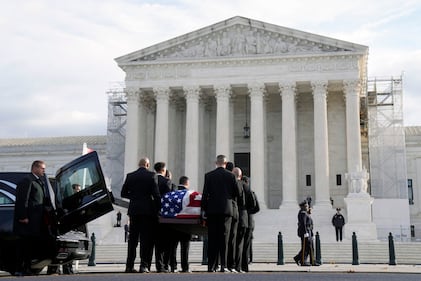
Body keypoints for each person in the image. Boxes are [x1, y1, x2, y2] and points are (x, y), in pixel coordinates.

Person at [13, 160, 55, 276]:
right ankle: (20, 269)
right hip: (27, 222)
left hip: (36, 222)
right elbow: (22, 200)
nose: (44, 171)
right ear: (35, 168)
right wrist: (23, 217)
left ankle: (28, 268)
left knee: (30, 247)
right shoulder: (27, 181)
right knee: (24, 247)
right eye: (42, 168)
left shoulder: (38, 182)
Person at [121, 157, 160, 273]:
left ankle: (129, 266)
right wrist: (157, 208)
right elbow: (157, 195)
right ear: (147, 165)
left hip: (134, 211)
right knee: (145, 239)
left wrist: (134, 198)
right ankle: (143, 265)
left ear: (139, 164)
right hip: (147, 212)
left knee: (132, 239)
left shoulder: (130, 176)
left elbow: (123, 193)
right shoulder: (152, 176)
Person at [201, 155, 239, 273]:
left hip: (212, 210)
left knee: (212, 239)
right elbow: (236, 193)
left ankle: (211, 266)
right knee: (224, 239)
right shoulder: (231, 176)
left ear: (216, 163)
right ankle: (224, 265)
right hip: (226, 211)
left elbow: (205, 194)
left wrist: (204, 209)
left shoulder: (209, 176)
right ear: (226, 163)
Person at [169, 176, 193, 273]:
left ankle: (173, 266)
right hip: (186, 224)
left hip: (174, 223)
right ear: (187, 183)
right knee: (185, 247)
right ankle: (185, 267)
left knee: (173, 247)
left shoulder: (172, 193)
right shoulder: (189, 194)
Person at [153, 162, 173, 273]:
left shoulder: (151, 181)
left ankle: (158, 265)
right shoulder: (167, 182)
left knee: (156, 242)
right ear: (164, 170)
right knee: (165, 242)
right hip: (165, 216)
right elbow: (169, 199)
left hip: (152, 215)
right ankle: (165, 265)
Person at [241, 176, 259, 272]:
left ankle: (243, 262)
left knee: (243, 243)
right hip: (247, 221)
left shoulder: (245, 193)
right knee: (246, 243)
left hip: (244, 221)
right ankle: (245, 264)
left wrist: (247, 213)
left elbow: (256, 207)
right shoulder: (250, 193)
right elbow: (256, 207)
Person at [232, 167, 247, 273]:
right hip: (241, 217)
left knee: (231, 242)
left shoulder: (227, 186)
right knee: (239, 244)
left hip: (231, 217)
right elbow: (252, 203)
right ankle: (237, 266)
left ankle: (229, 265)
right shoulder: (244, 186)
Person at [294, 200, 311, 266]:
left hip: (304, 232)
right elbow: (303, 224)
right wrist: (305, 232)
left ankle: (298, 258)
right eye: (306, 206)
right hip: (304, 232)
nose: (307, 207)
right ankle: (303, 261)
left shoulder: (304, 212)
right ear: (303, 207)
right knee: (305, 247)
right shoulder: (303, 213)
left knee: (306, 247)